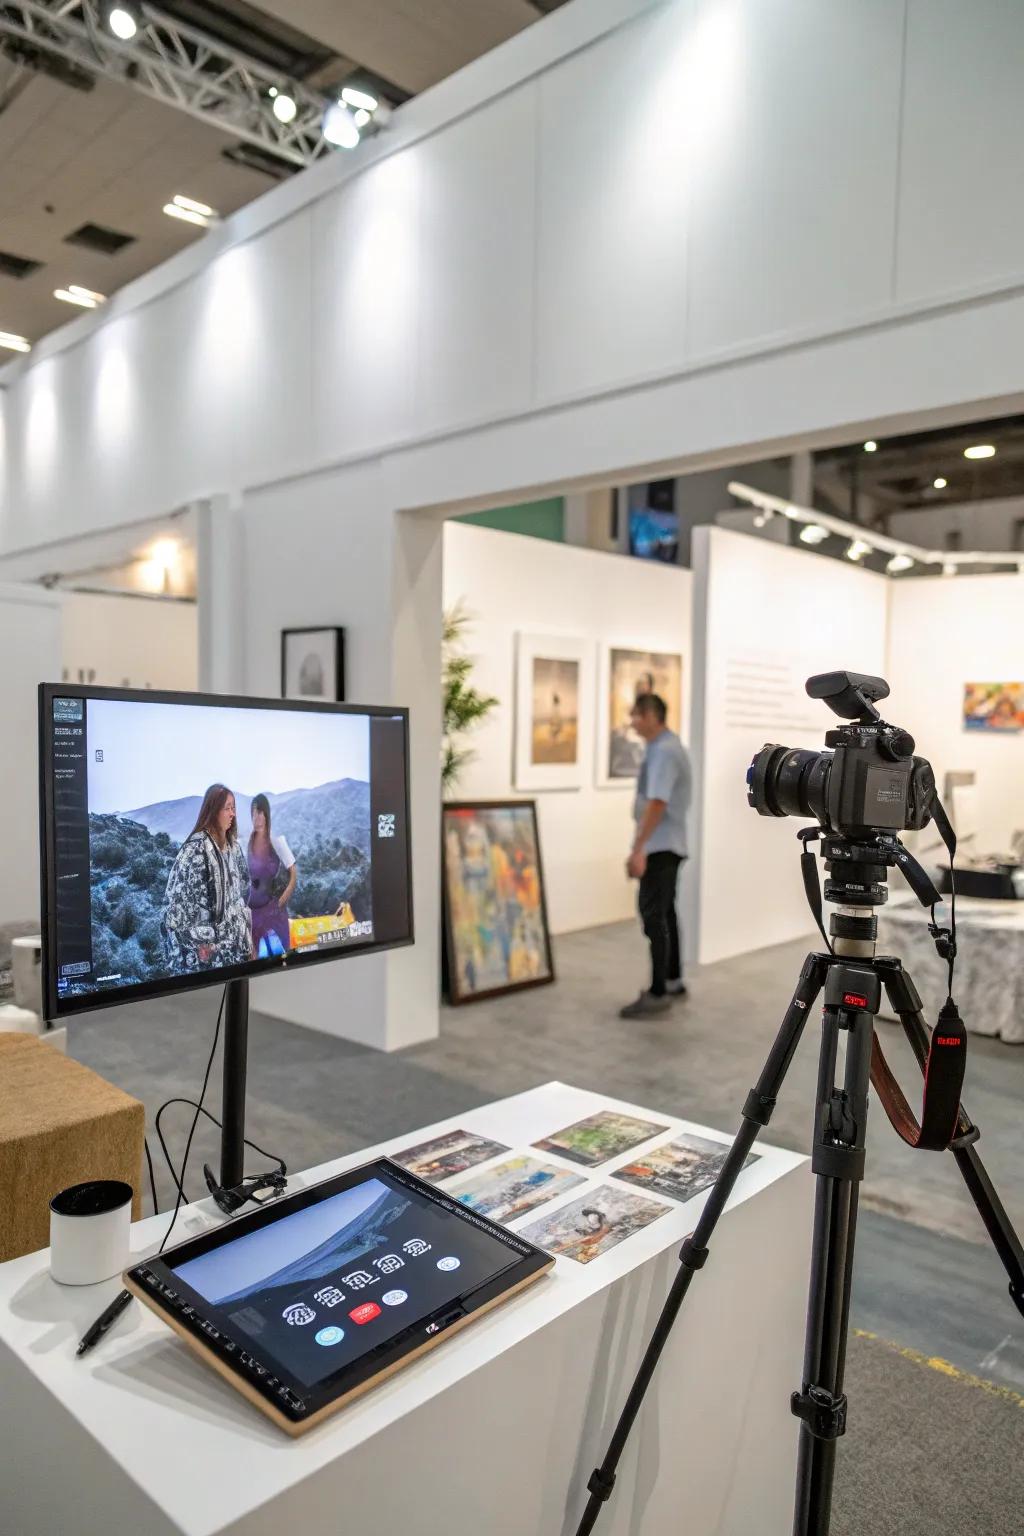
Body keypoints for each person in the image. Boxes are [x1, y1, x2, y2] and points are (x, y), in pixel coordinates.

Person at [620, 692, 692, 1018]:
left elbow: (658, 802)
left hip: (660, 846)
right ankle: (673, 980)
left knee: (654, 917)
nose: (632, 721)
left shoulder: (664, 750)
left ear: (651, 716)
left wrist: (639, 848)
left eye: (636, 715)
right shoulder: (665, 746)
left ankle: (658, 991)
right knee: (666, 913)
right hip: (667, 844)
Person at [162, 784, 252, 972]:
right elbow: (177, 910)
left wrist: (244, 937)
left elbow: (244, 890)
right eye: (227, 808)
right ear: (213, 811)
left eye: (233, 808)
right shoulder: (195, 850)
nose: (232, 814)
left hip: (236, 953)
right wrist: (205, 943)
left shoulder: (234, 847)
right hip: (207, 961)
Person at [247, 793, 297, 959]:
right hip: (253, 912)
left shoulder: (276, 840)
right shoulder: (247, 843)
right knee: (253, 958)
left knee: (281, 956)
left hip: (273, 910)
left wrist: (283, 899)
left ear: (266, 814)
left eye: (260, 812)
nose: (257, 817)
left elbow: (293, 873)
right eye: (254, 813)